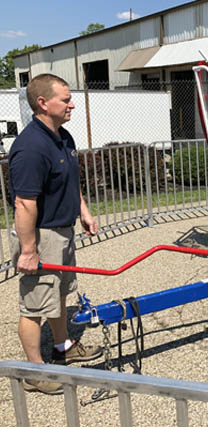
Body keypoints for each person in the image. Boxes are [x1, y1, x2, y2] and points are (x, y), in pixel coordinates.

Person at [8, 74, 102, 395]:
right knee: (34, 307)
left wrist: (83, 211)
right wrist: (28, 250)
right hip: (41, 236)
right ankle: (35, 373)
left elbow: (70, 182)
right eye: (65, 99)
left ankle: (63, 348)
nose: (72, 104)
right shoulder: (31, 147)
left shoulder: (63, 137)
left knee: (59, 295)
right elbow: (24, 203)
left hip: (62, 231)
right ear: (43, 103)